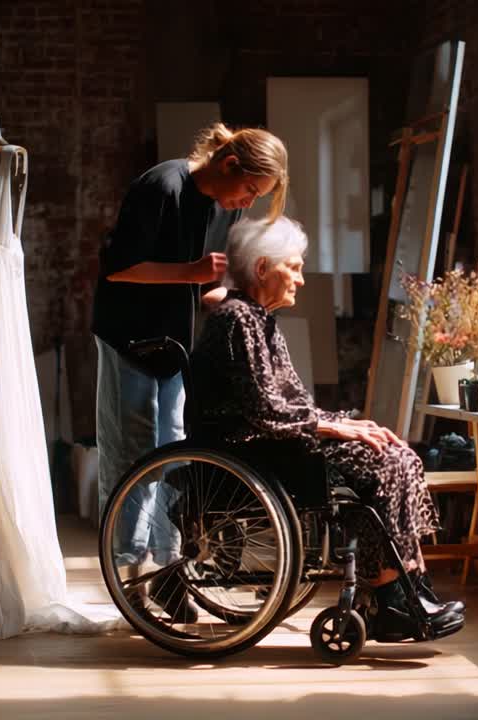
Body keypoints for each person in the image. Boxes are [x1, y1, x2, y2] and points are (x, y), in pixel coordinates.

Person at [189, 216, 465, 638]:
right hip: (250, 446)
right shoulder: (238, 320)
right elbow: (266, 411)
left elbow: (294, 402)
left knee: (398, 454)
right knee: (382, 464)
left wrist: (349, 423)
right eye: (294, 267)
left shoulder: (257, 318)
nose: (300, 279)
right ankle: (392, 597)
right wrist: (338, 430)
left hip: (273, 438)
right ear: (263, 268)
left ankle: (410, 586)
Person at [92, 123, 288, 571]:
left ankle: (169, 566)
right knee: (133, 453)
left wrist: (250, 300)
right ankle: (128, 567)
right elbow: (120, 270)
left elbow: (202, 287)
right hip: (128, 335)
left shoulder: (225, 208)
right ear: (229, 164)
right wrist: (191, 273)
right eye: (250, 189)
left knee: (175, 452)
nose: (248, 202)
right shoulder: (162, 185)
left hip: (173, 341)